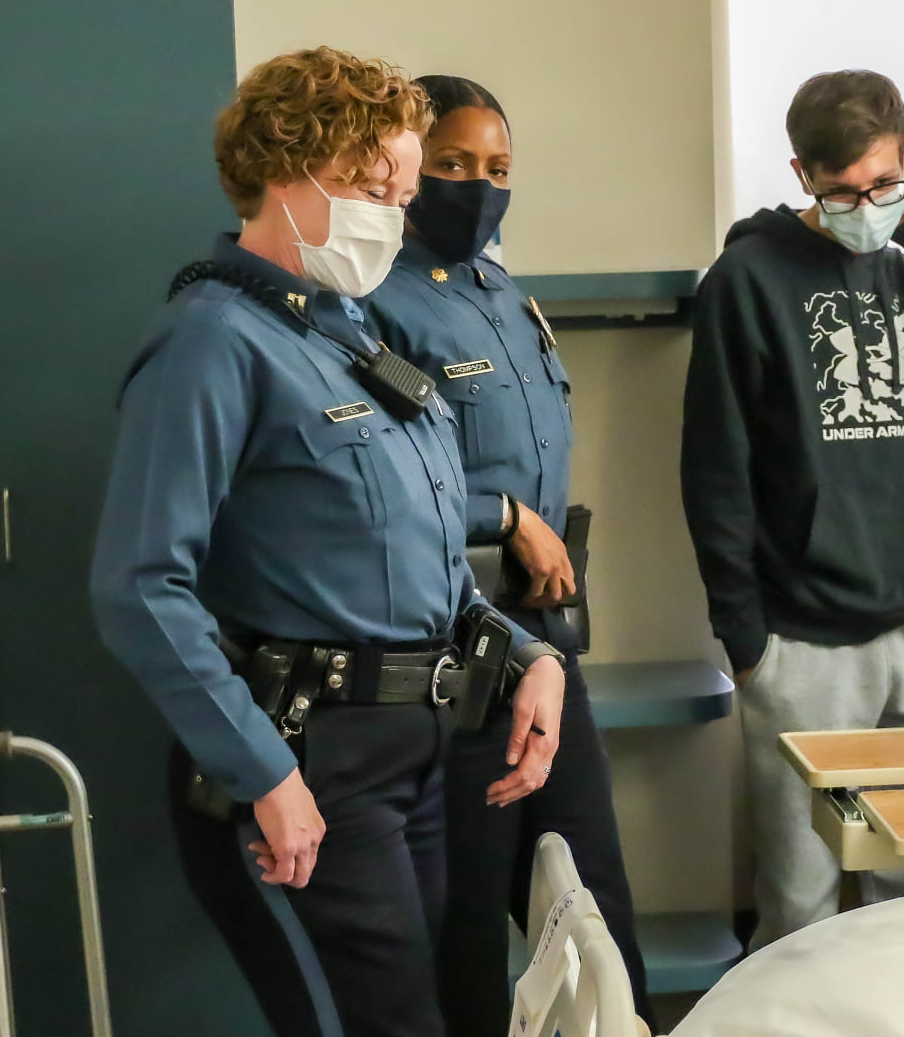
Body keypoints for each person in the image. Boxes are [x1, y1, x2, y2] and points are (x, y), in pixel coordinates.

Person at [89, 49, 566, 1037]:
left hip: (414, 752)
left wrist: (525, 654)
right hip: (307, 759)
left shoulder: (348, 334)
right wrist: (263, 770)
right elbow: (140, 586)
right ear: (283, 166)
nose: (385, 214)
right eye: (363, 185)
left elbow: (421, 551)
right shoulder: (211, 342)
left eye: (397, 191)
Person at [681, 69, 904, 948]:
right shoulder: (746, 278)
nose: (863, 205)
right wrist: (744, 636)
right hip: (804, 637)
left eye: (882, 184)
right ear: (801, 173)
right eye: (841, 190)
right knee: (799, 897)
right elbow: (716, 466)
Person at [361, 74, 654, 1032]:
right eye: (451, 164)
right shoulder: (373, 297)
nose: (477, 186)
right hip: (455, 638)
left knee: (595, 886)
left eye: (497, 168)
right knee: (470, 914)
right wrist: (504, 514)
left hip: (545, 633)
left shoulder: (499, 286)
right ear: (406, 168)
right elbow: (390, 475)